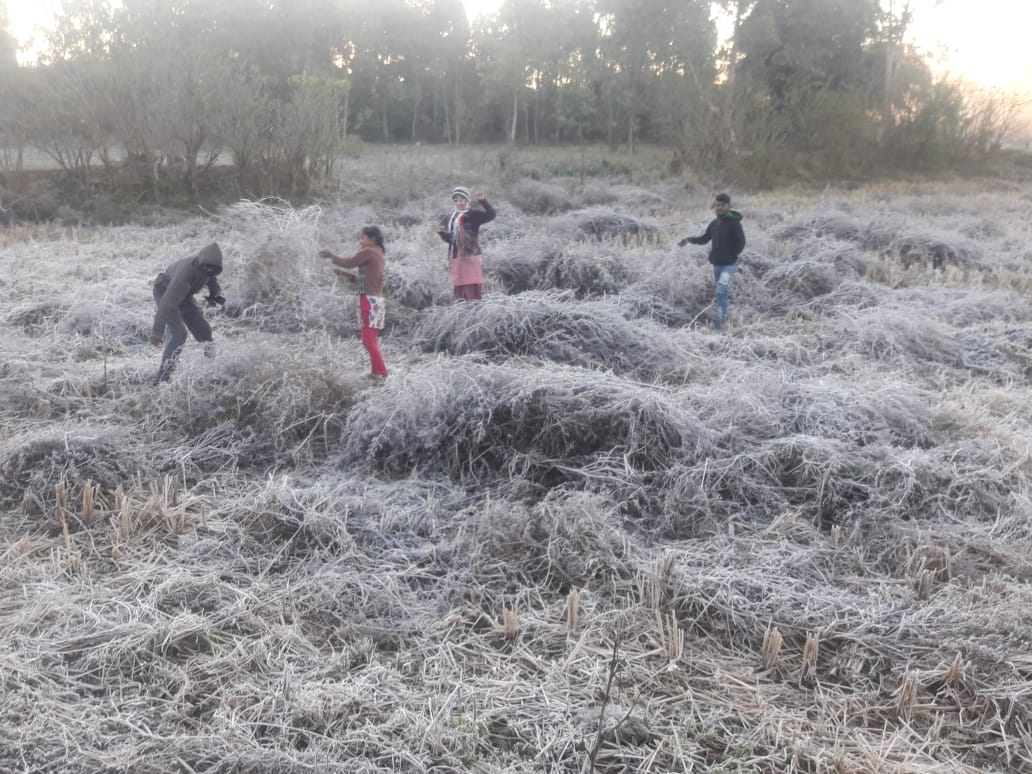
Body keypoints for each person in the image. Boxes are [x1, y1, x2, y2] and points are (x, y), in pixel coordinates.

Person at [319, 226, 389, 380]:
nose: (360, 241)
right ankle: (376, 372)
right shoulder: (378, 253)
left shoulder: (369, 251)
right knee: (371, 340)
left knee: (368, 341)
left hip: (369, 301)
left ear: (372, 239)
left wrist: (331, 256)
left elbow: (350, 262)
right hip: (376, 301)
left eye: (363, 238)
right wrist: (346, 275)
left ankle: (383, 373)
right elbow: (366, 280)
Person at [149, 242, 225, 384]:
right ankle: (161, 380)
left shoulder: (208, 268)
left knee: (205, 332)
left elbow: (210, 278)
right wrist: (157, 331)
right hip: (164, 291)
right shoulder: (185, 274)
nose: (209, 271)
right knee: (179, 334)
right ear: (200, 263)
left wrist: (215, 291)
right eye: (207, 267)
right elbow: (166, 304)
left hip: (185, 295)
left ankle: (212, 373)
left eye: (212, 270)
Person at [679, 193, 745, 330]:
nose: (719, 207)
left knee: (721, 289)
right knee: (721, 292)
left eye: (722, 205)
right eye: (717, 205)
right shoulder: (715, 224)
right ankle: (722, 317)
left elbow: (741, 243)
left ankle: (721, 322)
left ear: (728, 206)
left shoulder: (734, 224)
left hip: (728, 265)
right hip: (716, 265)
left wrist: (732, 255)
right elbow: (704, 239)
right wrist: (689, 240)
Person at [437, 186, 495, 301]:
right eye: (456, 200)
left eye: (461, 200)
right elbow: (454, 239)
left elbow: (491, 215)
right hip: (457, 255)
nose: (459, 203)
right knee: (459, 286)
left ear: (467, 200)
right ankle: (461, 312)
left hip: (471, 256)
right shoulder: (454, 216)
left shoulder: (474, 214)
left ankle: (474, 312)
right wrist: (441, 234)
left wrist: (483, 201)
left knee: (471, 286)